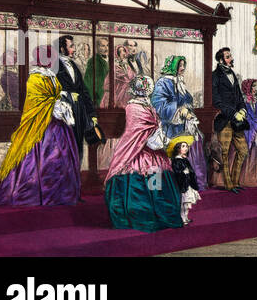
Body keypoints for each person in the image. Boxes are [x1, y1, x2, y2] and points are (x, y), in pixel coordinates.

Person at [0, 46, 81, 207]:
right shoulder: (35, 78)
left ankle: (60, 194)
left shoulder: (51, 76)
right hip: (41, 125)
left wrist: (62, 98)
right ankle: (37, 194)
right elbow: (36, 102)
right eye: (51, 58)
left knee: (61, 158)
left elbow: (54, 95)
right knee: (44, 157)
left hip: (58, 124)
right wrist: (56, 104)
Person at [102, 74, 183, 230]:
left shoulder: (147, 106)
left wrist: (161, 137)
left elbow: (153, 129)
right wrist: (160, 138)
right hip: (138, 152)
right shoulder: (133, 108)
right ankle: (146, 215)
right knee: (149, 181)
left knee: (156, 181)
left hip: (149, 151)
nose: (146, 92)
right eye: (145, 89)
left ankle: (156, 213)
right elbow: (139, 131)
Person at [152, 55, 208, 189]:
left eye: (183, 65)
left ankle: (190, 184)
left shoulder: (179, 81)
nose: (182, 68)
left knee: (194, 145)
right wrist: (178, 110)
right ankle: (169, 188)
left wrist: (187, 110)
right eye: (179, 65)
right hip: (170, 126)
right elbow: (158, 105)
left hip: (184, 124)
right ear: (173, 66)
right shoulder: (163, 82)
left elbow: (186, 100)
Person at [55, 35, 103, 159]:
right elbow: (51, 91)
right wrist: (68, 95)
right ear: (62, 49)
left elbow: (84, 91)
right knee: (64, 148)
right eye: (71, 46)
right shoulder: (54, 66)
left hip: (79, 113)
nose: (74, 49)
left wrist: (92, 115)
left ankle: (76, 175)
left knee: (78, 147)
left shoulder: (73, 65)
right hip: (63, 116)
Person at [211, 47, 249, 194]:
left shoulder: (232, 73)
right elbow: (216, 100)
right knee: (225, 153)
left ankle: (235, 181)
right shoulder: (215, 76)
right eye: (228, 57)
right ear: (221, 60)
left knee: (243, 151)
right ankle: (229, 185)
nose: (231, 58)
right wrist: (233, 113)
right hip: (224, 120)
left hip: (237, 120)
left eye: (230, 56)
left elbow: (239, 96)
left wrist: (243, 109)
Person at [168, 136, 201, 225]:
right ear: (178, 148)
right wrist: (183, 172)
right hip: (182, 184)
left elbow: (190, 170)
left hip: (188, 183)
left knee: (187, 203)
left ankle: (185, 217)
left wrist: (190, 173)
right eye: (183, 146)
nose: (186, 148)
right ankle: (182, 218)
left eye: (186, 146)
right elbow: (176, 172)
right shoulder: (176, 160)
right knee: (183, 203)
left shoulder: (185, 159)